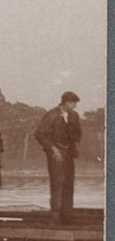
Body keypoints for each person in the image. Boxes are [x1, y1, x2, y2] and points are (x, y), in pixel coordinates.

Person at [34, 91, 81, 223]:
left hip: (69, 154)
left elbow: (78, 133)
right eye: (73, 103)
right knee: (57, 184)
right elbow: (39, 134)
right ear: (65, 103)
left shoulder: (74, 116)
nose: (75, 106)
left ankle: (67, 216)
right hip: (56, 154)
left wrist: (74, 144)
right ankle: (55, 217)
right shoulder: (52, 115)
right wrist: (53, 149)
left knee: (68, 184)